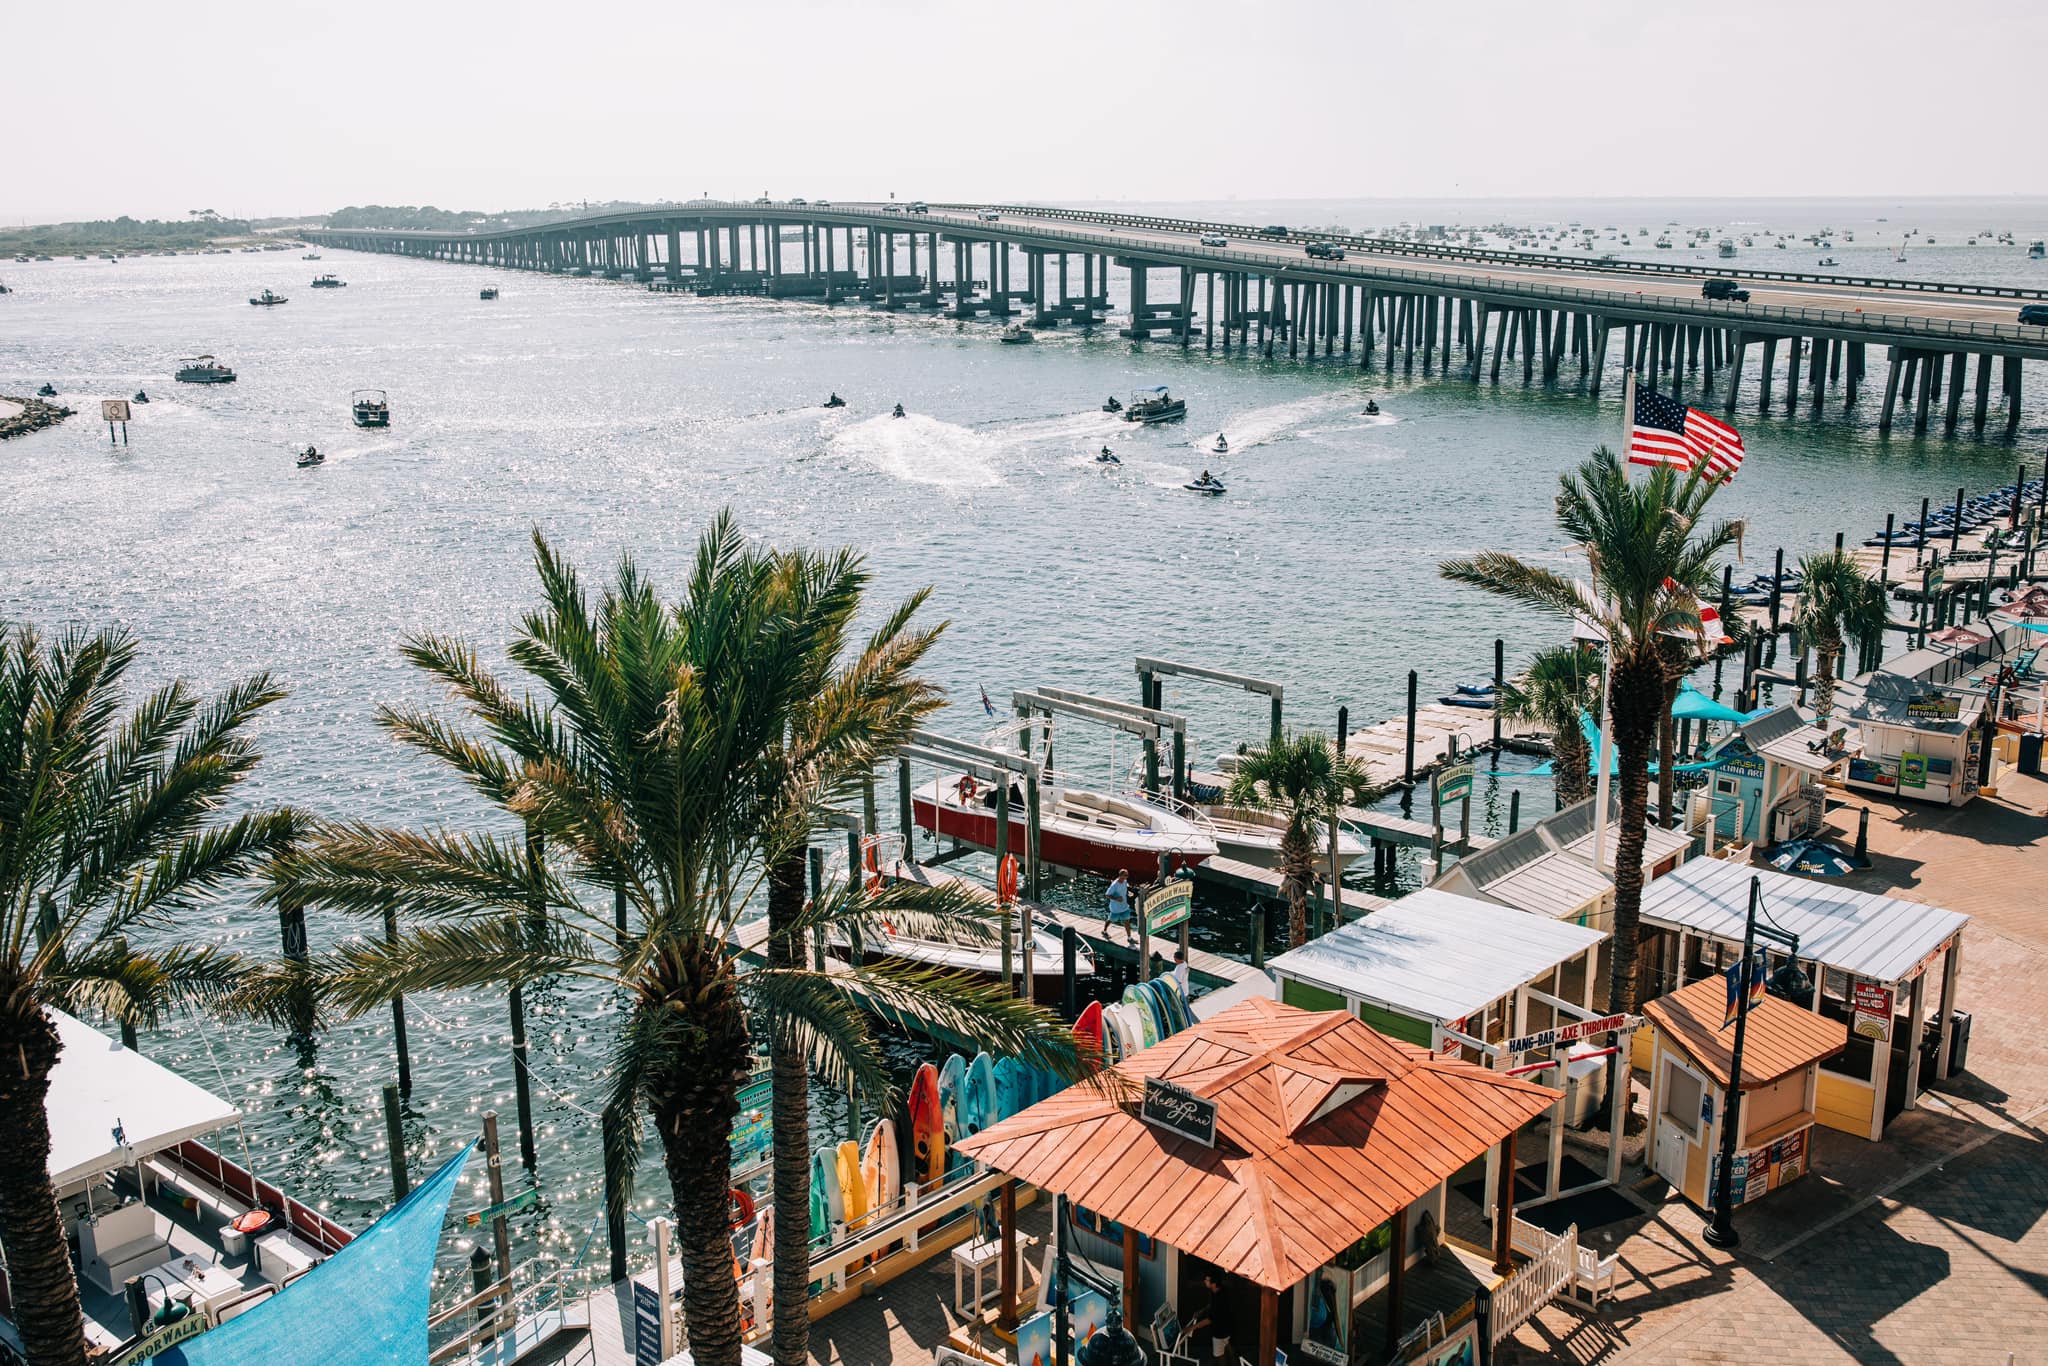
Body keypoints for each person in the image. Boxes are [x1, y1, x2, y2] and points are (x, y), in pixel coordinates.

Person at [1187, 1270, 1233, 1366]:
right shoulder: (1218, 1290)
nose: (1205, 1281)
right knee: (1228, 1347)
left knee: (1220, 1355)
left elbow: (1209, 1320)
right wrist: (1202, 1311)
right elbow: (1211, 1305)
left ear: (1214, 1283)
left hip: (1219, 1332)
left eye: (1207, 1280)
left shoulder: (1218, 1299)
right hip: (1227, 1326)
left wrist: (1191, 1328)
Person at [1103, 869, 1133, 937]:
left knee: (1127, 922)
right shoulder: (1114, 885)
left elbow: (1124, 889)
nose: (1127, 876)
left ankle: (1129, 937)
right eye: (1125, 875)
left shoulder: (1125, 882)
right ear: (1121, 875)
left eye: (1127, 875)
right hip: (1115, 908)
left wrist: (1128, 893)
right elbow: (1107, 894)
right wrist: (1116, 899)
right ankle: (1104, 930)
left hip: (1124, 907)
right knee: (1110, 920)